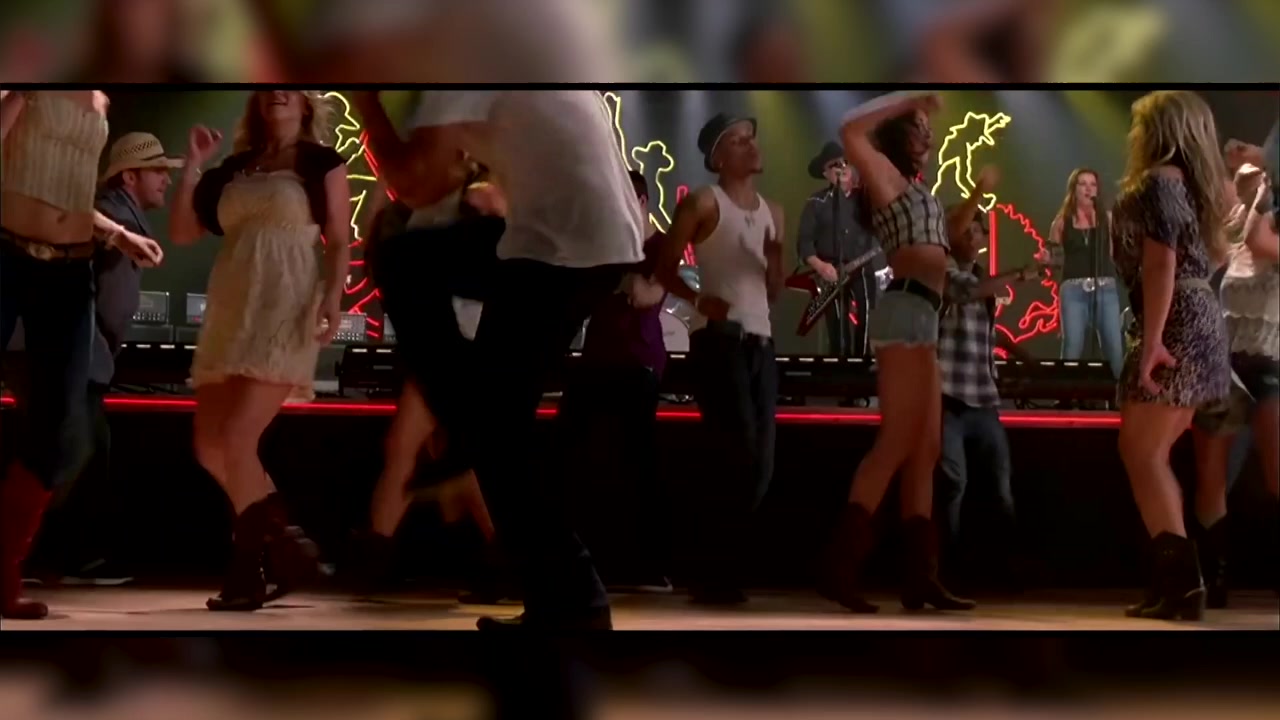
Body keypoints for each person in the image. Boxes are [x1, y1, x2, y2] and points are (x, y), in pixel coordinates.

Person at [354, 89, 645, 631]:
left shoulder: (463, 57)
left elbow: (418, 182)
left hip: (562, 243)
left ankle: (462, 427)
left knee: (401, 258)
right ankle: (564, 602)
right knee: (499, 430)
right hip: (580, 238)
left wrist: (364, 99)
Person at [167, 90, 349, 612]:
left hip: (285, 299)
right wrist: (194, 166)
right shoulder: (236, 167)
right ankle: (289, 544)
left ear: (306, 104)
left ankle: (248, 572)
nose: (277, 93)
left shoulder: (321, 162)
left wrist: (333, 296)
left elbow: (339, 238)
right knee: (210, 447)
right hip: (231, 304)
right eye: (268, 88)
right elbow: (182, 232)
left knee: (237, 437)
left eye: (288, 88)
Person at [0, 89, 164, 620]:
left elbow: (69, 193)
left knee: (60, 427)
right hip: (7, 253)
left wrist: (118, 234)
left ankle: (3, 575)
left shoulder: (99, 101)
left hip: (69, 271)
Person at [819, 90, 975, 614]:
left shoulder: (918, 189)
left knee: (925, 449)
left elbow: (944, 252)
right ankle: (840, 568)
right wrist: (909, 97)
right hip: (906, 310)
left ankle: (920, 579)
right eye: (917, 127)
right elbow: (849, 129)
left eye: (928, 127)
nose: (928, 134)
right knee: (897, 441)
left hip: (925, 314)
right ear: (896, 134)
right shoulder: (884, 177)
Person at [354, 168, 514, 605]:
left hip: (465, 343)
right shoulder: (441, 211)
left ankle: (377, 556)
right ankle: (503, 559)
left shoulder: (481, 199)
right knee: (441, 457)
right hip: (450, 342)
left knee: (422, 452)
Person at [39, 132, 185, 586]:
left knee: (83, 452)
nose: (165, 180)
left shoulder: (123, 217)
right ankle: (44, 558)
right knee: (69, 456)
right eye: (158, 170)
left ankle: (68, 559)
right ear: (129, 177)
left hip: (87, 359)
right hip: (78, 357)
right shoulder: (114, 216)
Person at [1111, 90, 1231, 621]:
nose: (1133, 135)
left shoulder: (1160, 180)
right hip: (1198, 315)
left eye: (1139, 125)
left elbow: (1161, 263)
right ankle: (1176, 584)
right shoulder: (1192, 186)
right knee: (1149, 453)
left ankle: (1182, 585)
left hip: (1176, 317)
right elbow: (1209, 256)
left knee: (1143, 452)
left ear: (1158, 131)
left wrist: (1153, 341)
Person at [655, 114, 784, 604]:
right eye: (739, 140)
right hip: (720, 340)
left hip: (761, 341)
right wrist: (696, 300)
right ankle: (712, 573)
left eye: (753, 138)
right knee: (736, 454)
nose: (752, 146)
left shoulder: (774, 211)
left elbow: (772, 292)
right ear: (719, 157)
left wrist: (775, 260)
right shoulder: (704, 203)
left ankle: (716, 566)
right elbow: (663, 267)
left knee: (761, 464)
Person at [560, 170, 672, 594]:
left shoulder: (661, 247)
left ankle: (648, 566)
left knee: (637, 464)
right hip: (595, 361)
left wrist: (613, 281)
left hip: (637, 363)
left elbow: (647, 294)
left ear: (640, 203)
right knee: (568, 457)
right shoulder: (605, 246)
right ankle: (572, 560)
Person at [934, 205, 1042, 590]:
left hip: (983, 396)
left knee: (1000, 488)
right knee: (952, 485)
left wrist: (1019, 354)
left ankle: (1003, 567)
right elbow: (963, 293)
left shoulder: (981, 277)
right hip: (946, 396)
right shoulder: (940, 269)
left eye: (977, 231)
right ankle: (943, 569)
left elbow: (984, 330)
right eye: (965, 230)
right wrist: (1022, 274)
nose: (972, 238)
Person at [1191, 159, 1278, 608]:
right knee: (1212, 476)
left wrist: (1265, 185)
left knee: (1277, 478)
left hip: (1272, 366)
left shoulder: (1264, 234)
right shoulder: (1238, 228)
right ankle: (1213, 577)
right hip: (1224, 365)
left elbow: (1261, 239)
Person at [797, 141, 884, 359]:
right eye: (835, 164)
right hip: (830, 272)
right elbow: (804, 242)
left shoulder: (866, 199)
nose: (842, 167)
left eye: (845, 162)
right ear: (825, 173)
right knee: (837, 327)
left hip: (861, 270)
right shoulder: (816, 202)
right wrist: (820, 266)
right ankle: (838, 365)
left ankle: (861, 365)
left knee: (865, 321)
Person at [1047, 168, 1125, 378]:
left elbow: (1113, 253)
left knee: (1114, 348)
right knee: (1072, 346)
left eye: (1092, 184)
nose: (1088, 189)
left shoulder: (1107, 219)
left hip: (1105, 289)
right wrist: (1048, 260)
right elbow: (1055, 260)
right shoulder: (1061, 222)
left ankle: (1118, 393)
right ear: (1074, 189)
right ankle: (1066, 392)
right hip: (1073, 290)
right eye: (1083, 184)